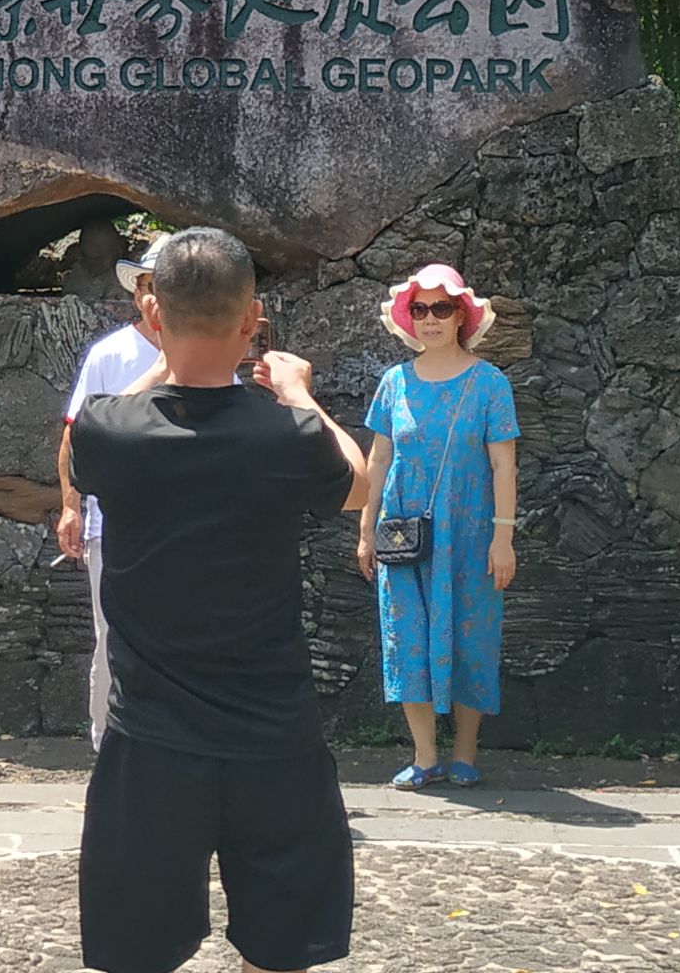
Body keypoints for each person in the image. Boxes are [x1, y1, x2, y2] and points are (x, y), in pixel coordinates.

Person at [70, 228, 368, 973]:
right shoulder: (286, 435)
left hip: (152, 744)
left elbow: (80, 444)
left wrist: (165, 358)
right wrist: (298, 393)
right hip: (273, 736)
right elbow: (363, 484)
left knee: (135, 953)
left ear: (154, 314)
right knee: (282, 947)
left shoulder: (116, 433)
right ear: (252, 319)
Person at [357, 262, 520, 790]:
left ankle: (466, 753)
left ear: (461, 317)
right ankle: (425, 755)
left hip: (471, 534)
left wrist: (503, 538)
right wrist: (365, 528)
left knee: (473, 635)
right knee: (407, 637)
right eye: (420, 309)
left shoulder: (490, 384)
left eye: (441, 308)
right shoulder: (393, 382)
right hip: (403, 534)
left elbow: (503, 465)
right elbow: (378, 460)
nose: (429, 319)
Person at [57, 233, 172, 751]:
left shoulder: (207, 351)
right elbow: (74, 431)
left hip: (180, 520)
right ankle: (108, 742)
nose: (153, 297)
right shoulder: (110, 354)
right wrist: (69, 505)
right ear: (136, 293)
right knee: (111, 640)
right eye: (146, 285)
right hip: (113, 522)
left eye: (164, 285)